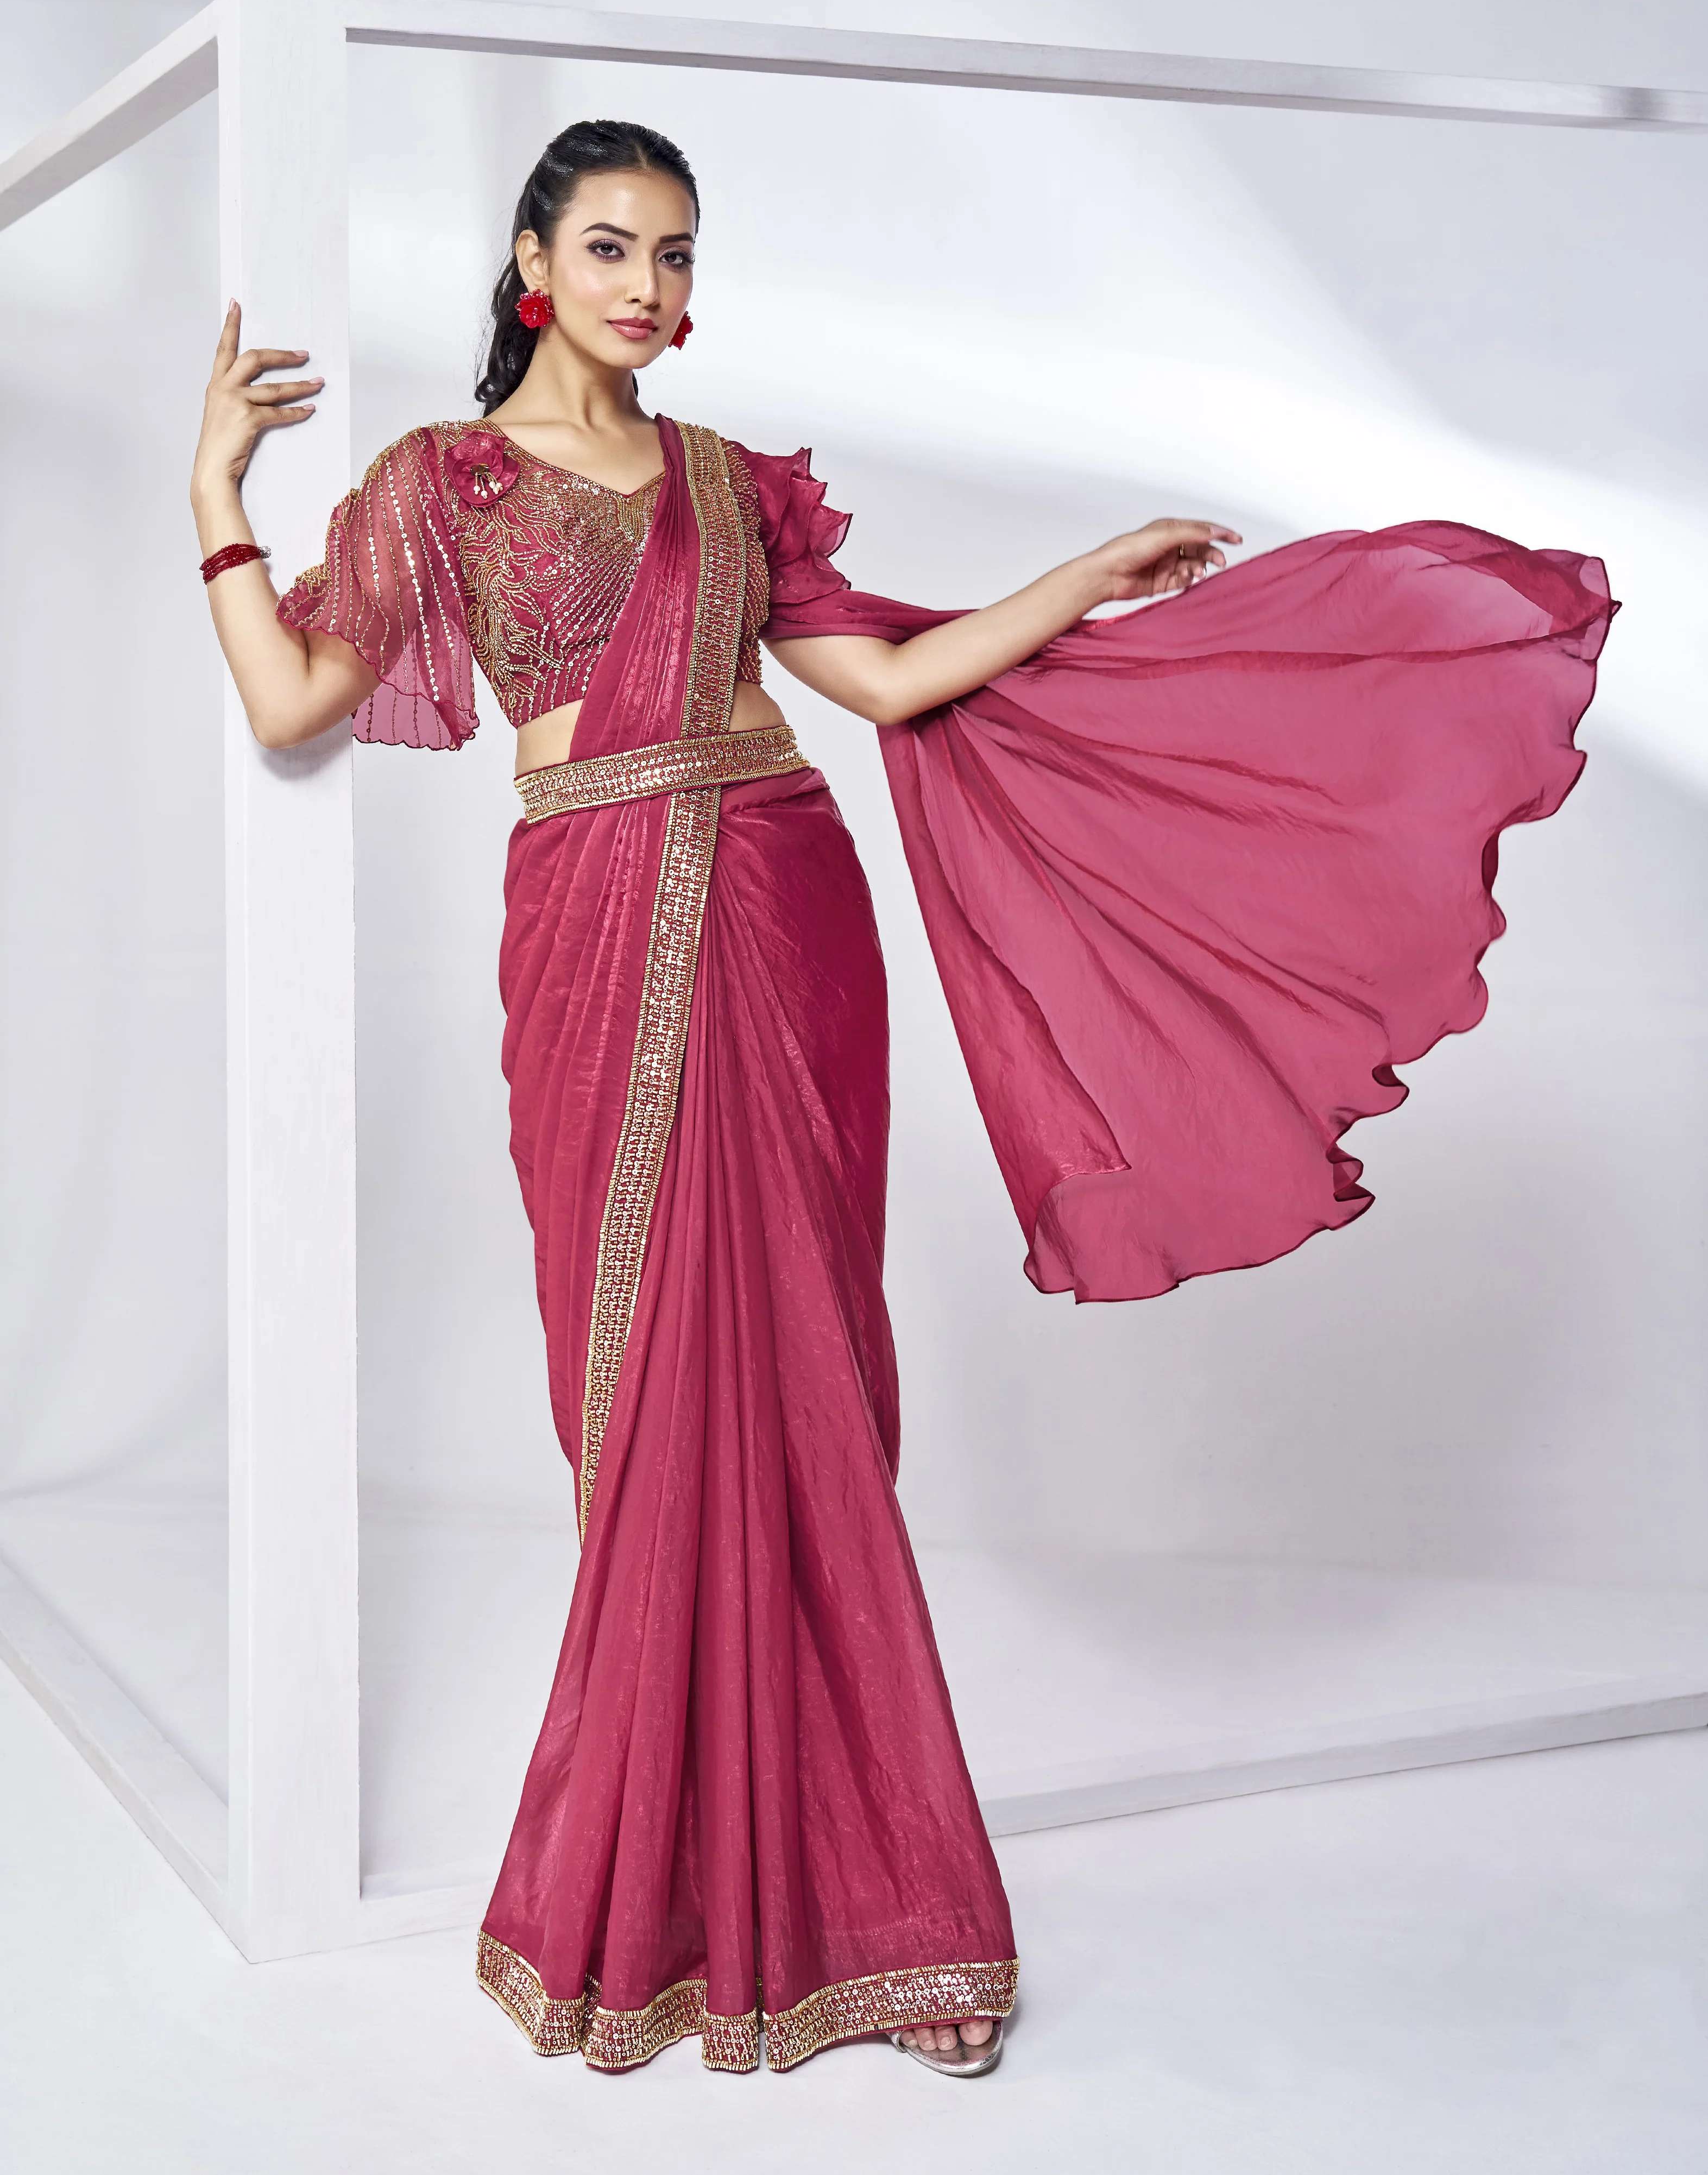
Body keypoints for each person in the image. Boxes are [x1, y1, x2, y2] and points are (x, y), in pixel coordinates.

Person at [188, 119, 1615, 2079]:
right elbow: (292, 699)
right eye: (610, 247)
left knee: (807, 1376)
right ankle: (662, 1886)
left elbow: (884, 680)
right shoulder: (439, 482)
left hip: (784, 905)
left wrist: (1084, 576)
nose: (647, 287)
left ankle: (881, 1902)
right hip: (591, 915)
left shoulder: (726, 482)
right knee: (638, 1383)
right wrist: (216, 495)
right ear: (530, 260)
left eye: (677, 255)